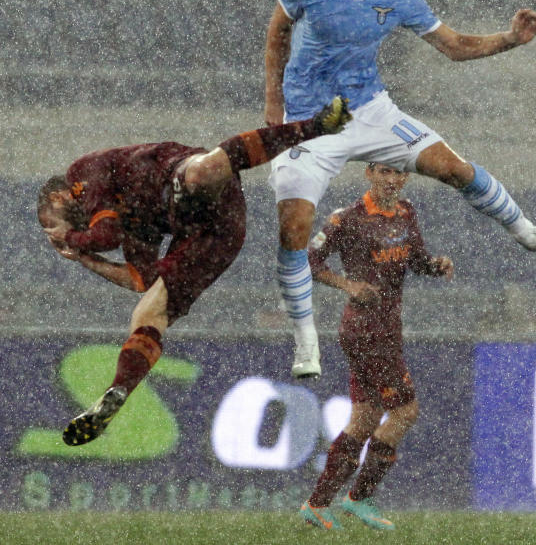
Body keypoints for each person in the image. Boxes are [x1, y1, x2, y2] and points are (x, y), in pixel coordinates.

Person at [264, 0, 536, 379]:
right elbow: (276, 36)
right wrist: (274, 111)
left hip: (370, 111)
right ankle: (306, 336)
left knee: (454, 168)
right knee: (293, 227)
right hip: (309, 121)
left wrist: (510, 39)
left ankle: (527, 233)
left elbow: (454, 47)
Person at [37, 98, 351, 446]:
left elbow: (103, 234)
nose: (51, 235)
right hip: (216, 235)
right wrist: (86, 260)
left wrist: (71, 238)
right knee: (148, 310)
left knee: (201, 172)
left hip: (177, 177)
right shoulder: (133, 225)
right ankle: (119, 391)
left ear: (57, 198)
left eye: (47, 224)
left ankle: (316, 126)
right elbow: (138, 279)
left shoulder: (80, 174)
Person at [298, 162, 452, 531]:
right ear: (369, 173)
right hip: (365, 332)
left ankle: (318, 504)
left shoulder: (405, 213)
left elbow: (415, 260)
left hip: (387, 329)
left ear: (406, 178)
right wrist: (347, 284)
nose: (392, 179)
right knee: (405, 412)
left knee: (366, 418)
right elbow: (308, 259)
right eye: (385, 171)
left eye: (399, 172)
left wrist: (435, 265)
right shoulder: (348, 218)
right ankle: (358, 497)